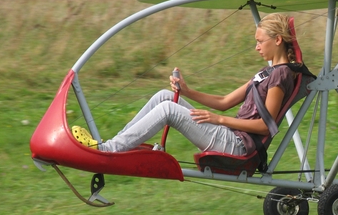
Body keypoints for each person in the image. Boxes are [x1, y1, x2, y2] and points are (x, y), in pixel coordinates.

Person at [72, 13, 299, 156]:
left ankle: (106, 151)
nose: (257, 47)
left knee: (169, 110)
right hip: (229, 134)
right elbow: (224, 101)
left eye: (260, 42)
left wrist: (218, 120)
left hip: (238, 145)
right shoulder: (266, 73)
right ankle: (113, 145)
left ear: (277, 40)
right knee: (165, 97)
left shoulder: (280, 76)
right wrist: (187, 91)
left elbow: (264, 126)